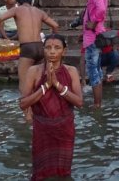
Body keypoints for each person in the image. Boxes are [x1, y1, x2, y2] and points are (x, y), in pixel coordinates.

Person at [19, 34, 83, 180]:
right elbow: (23, 104)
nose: (52, 51)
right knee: (40, 172)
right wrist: (46, 86)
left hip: (65, 129)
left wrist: (58, 86)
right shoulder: (34, 71)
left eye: (57, 48)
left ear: (64, 51)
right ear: (43, 50)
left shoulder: (71, 71)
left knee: (64, 172)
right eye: (48, 47)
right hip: (42, 130)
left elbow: (79, 102)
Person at [81, 0, 108, 108]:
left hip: (93, 37)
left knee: (93, 71)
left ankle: (97, 104)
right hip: (94, 36)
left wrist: (93, 22)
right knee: (96, 70)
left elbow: (101, 10)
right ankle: (98, 103)